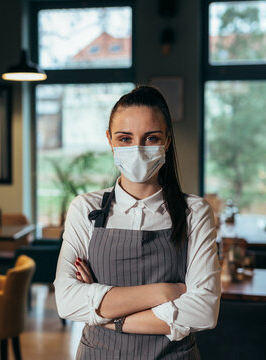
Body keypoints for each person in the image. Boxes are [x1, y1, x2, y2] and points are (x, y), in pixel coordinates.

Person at [54, 85, 221, 359]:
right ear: (110, 140)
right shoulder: (85, 208)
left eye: (151, 138)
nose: (138, 149)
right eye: (124, 138)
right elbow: (68, 302)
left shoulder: (194, 212)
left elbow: (203, 311)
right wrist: (166, 291)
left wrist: (110, 317)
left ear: (167, 140)